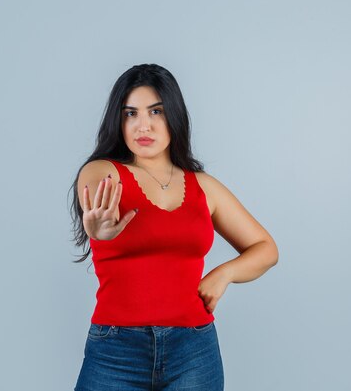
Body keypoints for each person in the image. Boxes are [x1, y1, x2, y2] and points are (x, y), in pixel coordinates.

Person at [68, 63, 279, 390]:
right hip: (116, 350)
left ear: (174, 117)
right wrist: (100, 229)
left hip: (194, 350)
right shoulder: (102, 170)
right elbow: (94, 195)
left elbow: (266, 249)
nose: (143, 125)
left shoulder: (204, 187)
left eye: (156, 111)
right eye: (130, 114)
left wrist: (223, 274)